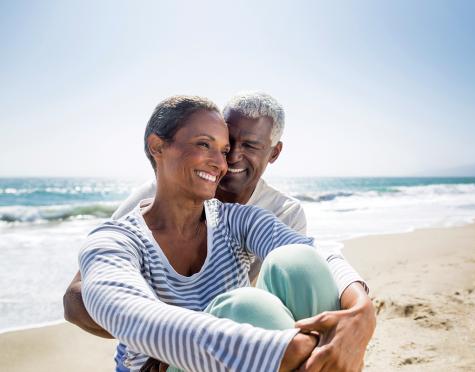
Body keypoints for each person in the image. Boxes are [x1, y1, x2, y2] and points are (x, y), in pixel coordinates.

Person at [75, 96, 375, 371]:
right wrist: (281, 349)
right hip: (167, 364)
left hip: (247, 351)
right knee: (248, 308)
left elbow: (313, 252)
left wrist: (361, 308)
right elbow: (122, 310)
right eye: (205, 144)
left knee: (298, 262)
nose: (223, 162)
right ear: (158, 147)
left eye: (223, 149)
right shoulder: (115, 238)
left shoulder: (238, 219)